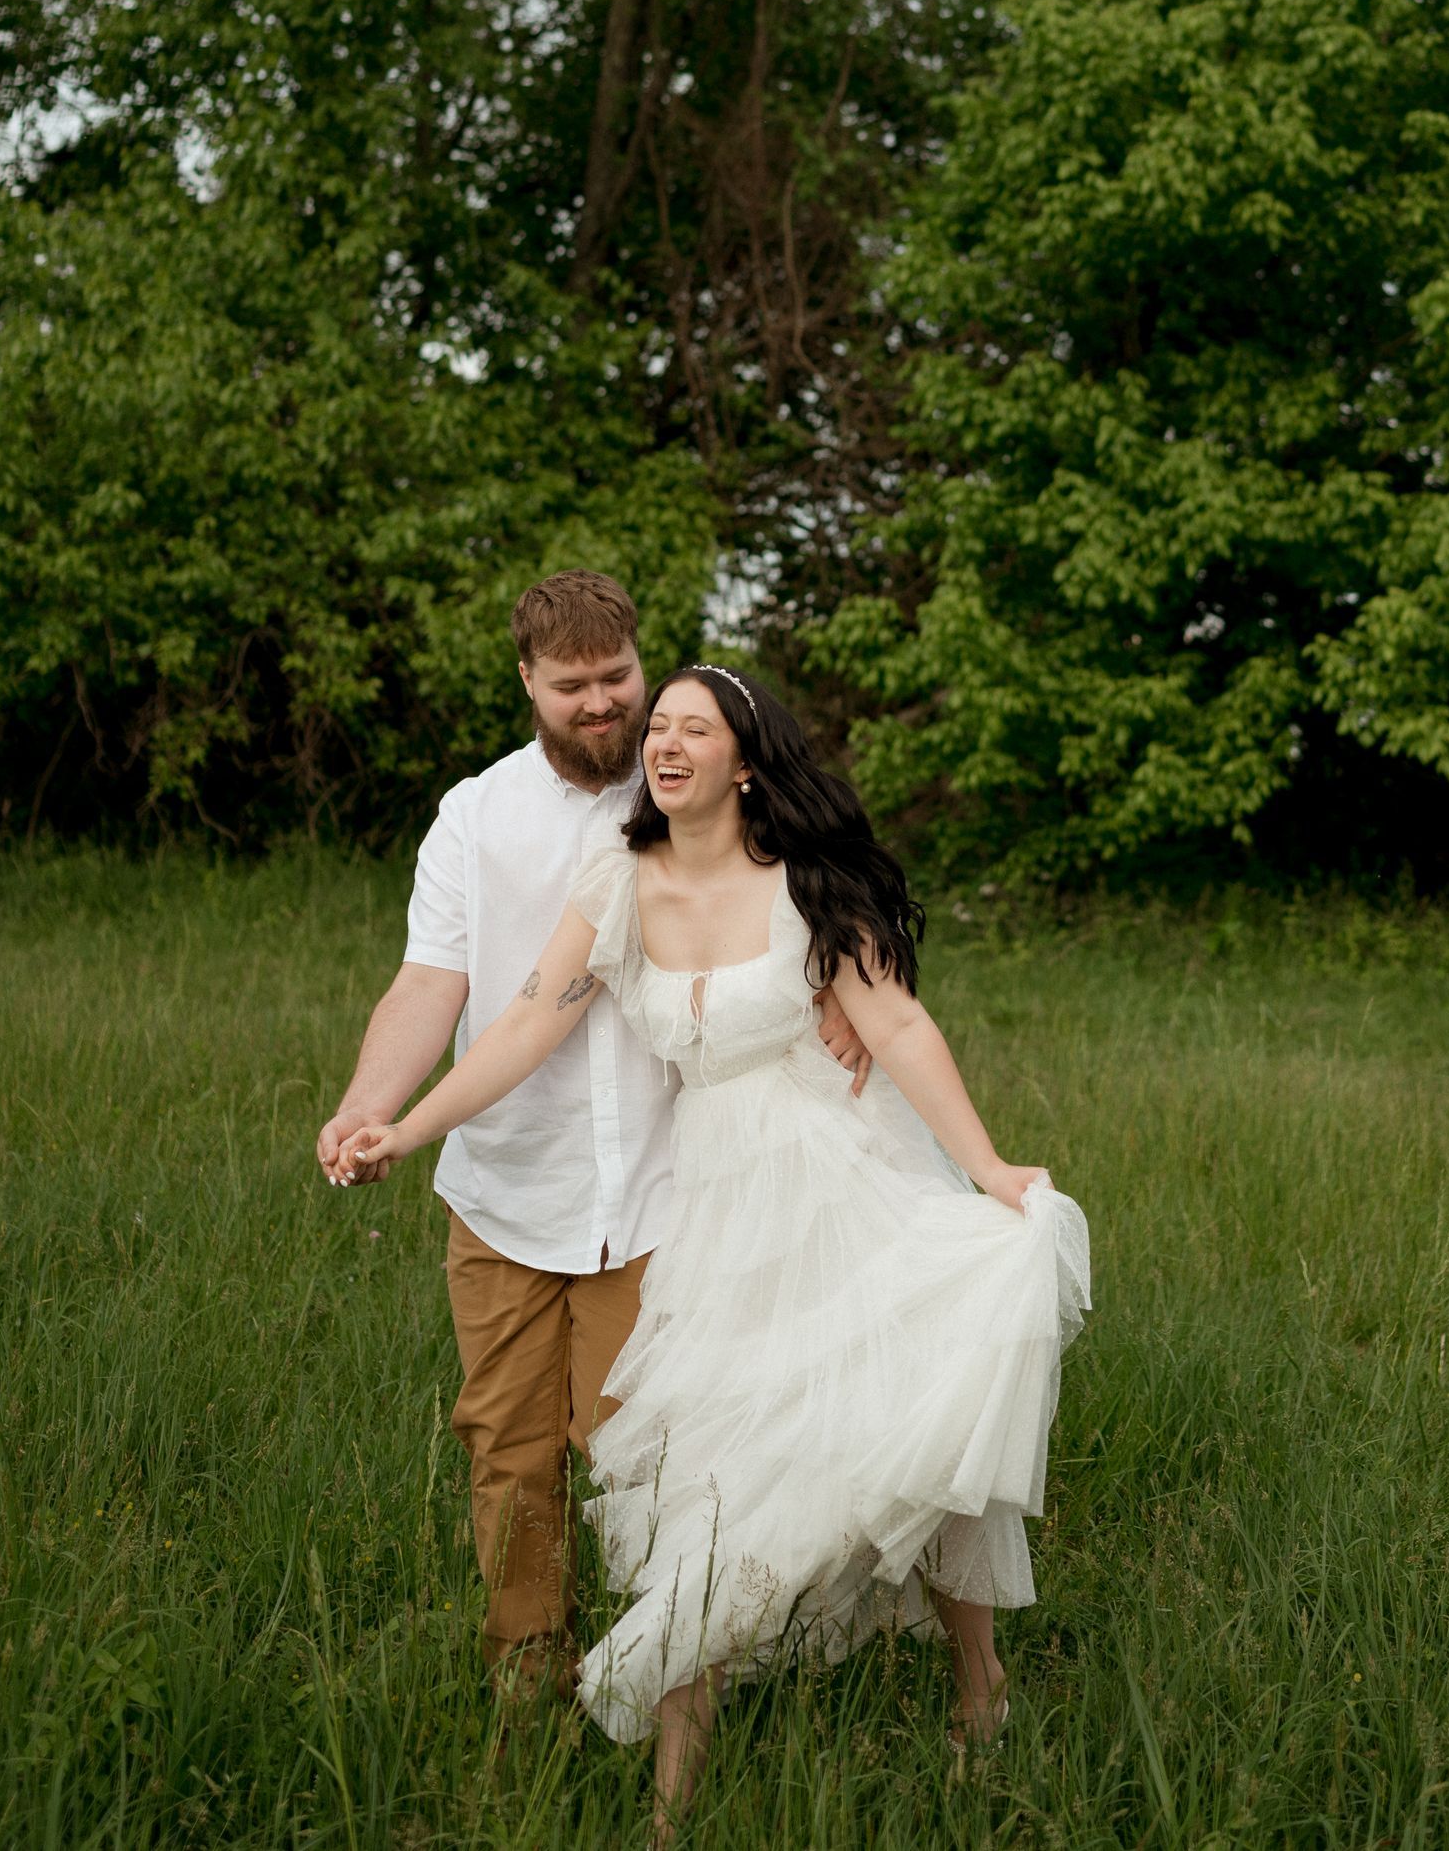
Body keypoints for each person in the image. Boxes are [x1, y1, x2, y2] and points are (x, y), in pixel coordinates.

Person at [331, 662, 1090, 1829]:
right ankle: (673, 1799)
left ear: (746, 761)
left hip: (846, 1174)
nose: (668, 744)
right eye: (661, 729)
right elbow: (527, 1021)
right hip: (714, 1205)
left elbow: (898, 1024)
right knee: (704, 1475)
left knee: (905, 1418)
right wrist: (408, 1123)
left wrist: (988, 1168)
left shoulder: (808, 887)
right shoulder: (615, 882)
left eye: (698, 729)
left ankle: (976, 1678)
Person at [314, 575, 869, 1691]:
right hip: (510, 1185)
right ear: (527, 682)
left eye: (618, 677)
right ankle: (529, 1685)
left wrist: (842, 989)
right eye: (573, 688)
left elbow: (827, 883)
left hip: (675, 1190)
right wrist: (371, 1106)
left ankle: (669, 1683)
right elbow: (434, 981)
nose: (604, 705)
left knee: (654, 1460)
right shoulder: (476, 817)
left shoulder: (702, 789)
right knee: (508, 1456)